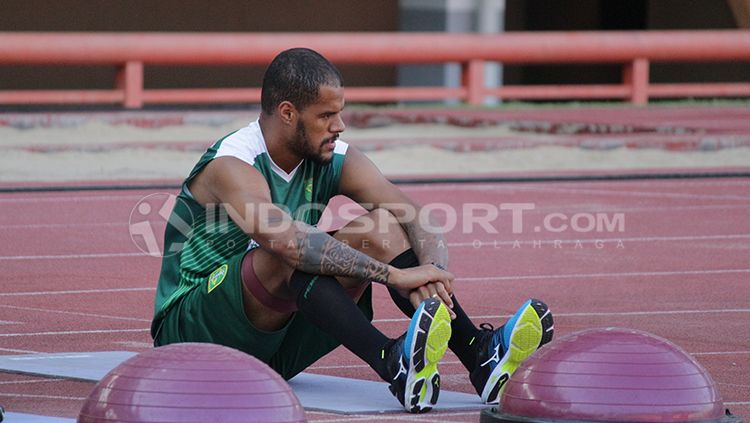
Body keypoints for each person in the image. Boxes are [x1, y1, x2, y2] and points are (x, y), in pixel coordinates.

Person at [150, 47, 553, 412]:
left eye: (340, 113)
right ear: (288, 113)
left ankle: (478, 354)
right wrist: (395, 275)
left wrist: (431, 269)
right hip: (191, 336)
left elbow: (414, 215)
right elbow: (287, 242)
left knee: (383, 228)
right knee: (288, 251)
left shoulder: (331, 154)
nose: (339, 126)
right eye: (326, 116)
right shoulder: (233, 163)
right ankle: (390, 361)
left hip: (276, 348)